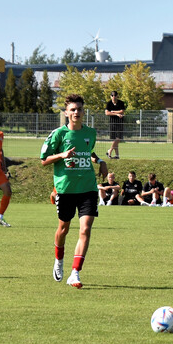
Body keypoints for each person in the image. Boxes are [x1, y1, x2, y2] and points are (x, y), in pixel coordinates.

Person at [40, 94, 108, 288]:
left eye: (79, 109)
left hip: (88, 188)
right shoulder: (58, 135)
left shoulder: (91, 133)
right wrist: (61, 154)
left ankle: (75, 273)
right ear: (66, 113)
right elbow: (44, 160)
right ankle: (58, 260)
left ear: (83, 111)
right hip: (66, 189)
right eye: (73, 109)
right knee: (63, 229)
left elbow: (88, 152)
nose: (76, 112)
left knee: (85, 229)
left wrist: (100, 161)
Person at [104, 90, 126, 160]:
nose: (114, 97)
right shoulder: (109, 103)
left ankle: (109, 151)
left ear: (117, 96)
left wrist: (113, 111)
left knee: (118, 138)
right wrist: (116, 114)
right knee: (115, 139)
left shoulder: (121, 103)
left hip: (120, 122)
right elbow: (107, 113)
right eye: (112, 95)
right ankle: (117, 155)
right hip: (112, 122)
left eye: (115, 95)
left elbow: (122, 111)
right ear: (111, 96)